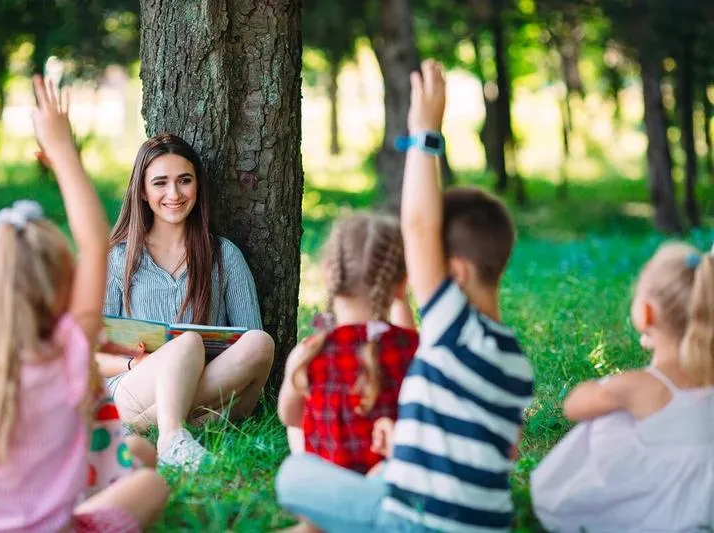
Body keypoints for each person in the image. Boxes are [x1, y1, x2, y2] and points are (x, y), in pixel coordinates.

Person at [275, 59, 534, 533]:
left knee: (294, 475)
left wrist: (425, 134)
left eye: (426, 264)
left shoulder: (452, 330)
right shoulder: (514, 360)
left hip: (414, 522)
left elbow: (417, 225)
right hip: (490, 524)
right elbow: (507, 449)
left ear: (453, 272)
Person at [0, 79, 168, 532]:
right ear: (61, 290)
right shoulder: (67, 355)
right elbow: (95, 245)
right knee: (150, 484)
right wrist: (62, 149)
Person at [98, 133, 275, 469]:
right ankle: (173, 435)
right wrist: (139, 364)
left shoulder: (224, 255)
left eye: (184, 181)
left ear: (197, 186)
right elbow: (92, 356)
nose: (174, 194)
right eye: (160, 183)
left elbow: (249, 347)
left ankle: (158, 424)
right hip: (132, 386)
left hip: (207, 378)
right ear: (143, 192)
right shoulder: (117, 259)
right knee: (186, 344)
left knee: (261, 343)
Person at [531, 242, 714, 533]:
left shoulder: (642, 386)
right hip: (704, 508)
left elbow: (573, 407)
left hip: (655, 516)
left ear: (647, 313)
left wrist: (602, 385)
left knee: (610, 417)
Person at [277, 213, 418, 474]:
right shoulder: (412, 349)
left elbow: (290, 417)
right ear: (401, 284)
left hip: (331, 489)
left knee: (296, 433)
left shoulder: (309, 353)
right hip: (396, 483)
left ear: (329, 273)